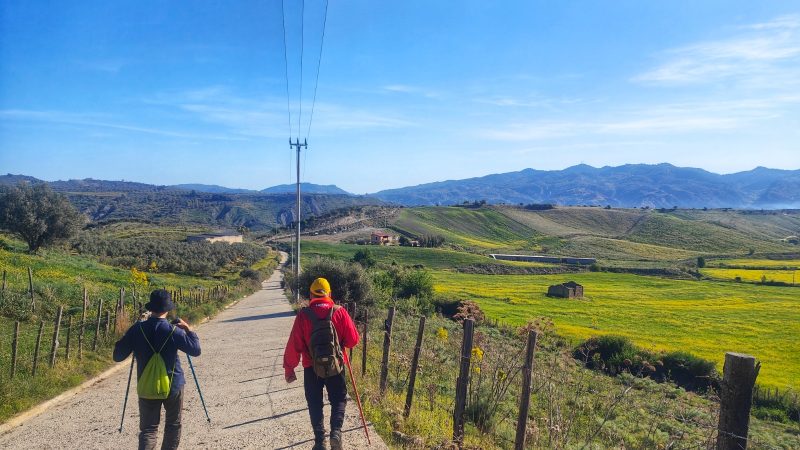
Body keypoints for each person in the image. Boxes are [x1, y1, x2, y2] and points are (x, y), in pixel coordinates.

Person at [114, 289, 201, 450]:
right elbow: (195, 350)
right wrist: (188, 330)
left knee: (148, 429)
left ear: (150, 308)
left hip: (147, 386)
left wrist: (127, 335)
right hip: (173, 385)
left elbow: (118, 355)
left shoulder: (137, 329)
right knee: (173, 425)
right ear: (167, 309)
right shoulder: (173, 331)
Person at [284, 278, 359, 450]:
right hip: (336, 367)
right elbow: (353, 340)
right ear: (329, 294)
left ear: (311, 295)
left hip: (311, 368)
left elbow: (294, 344)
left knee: (314, 403)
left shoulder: (304, 315)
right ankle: (336, 433)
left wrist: (289, 368)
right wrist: (341, 343)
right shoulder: (339, 312)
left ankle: (319, 442)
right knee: (339, 400)